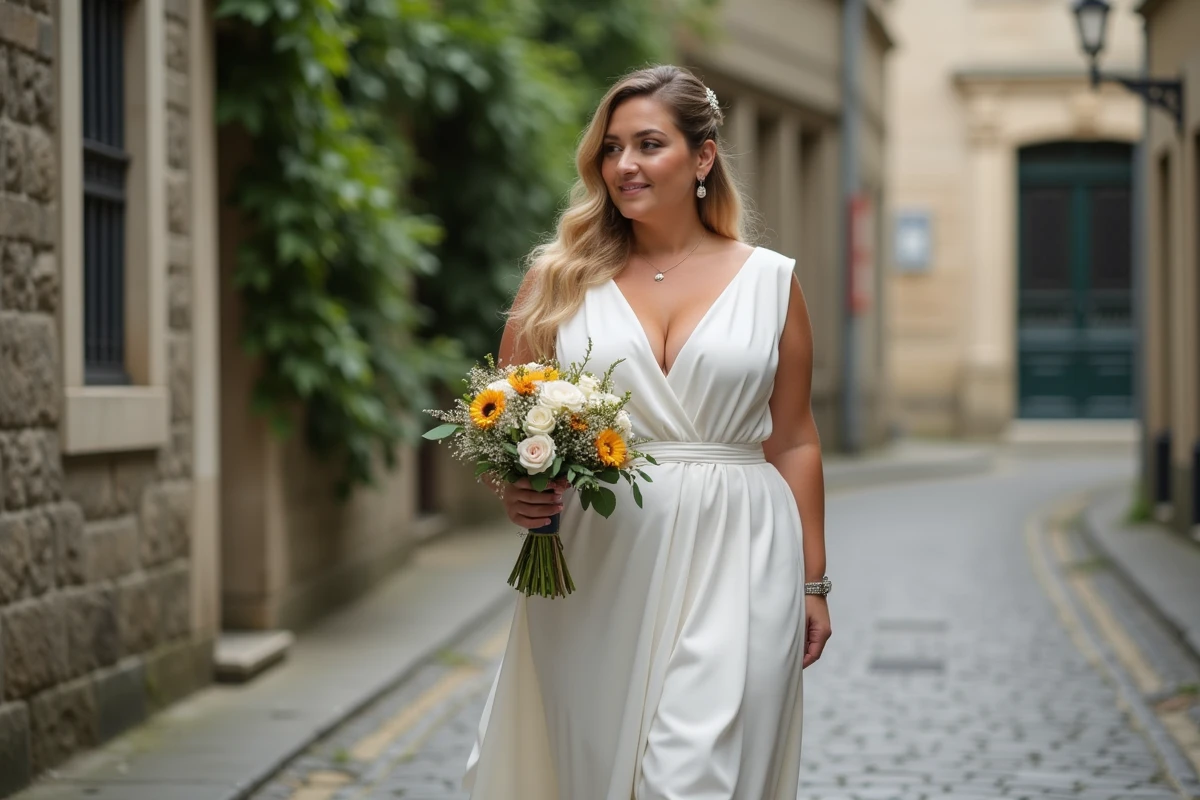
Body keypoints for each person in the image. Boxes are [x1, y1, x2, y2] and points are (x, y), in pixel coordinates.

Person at [463, 64, 831, 800]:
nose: (624, 164)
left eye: (648, 144)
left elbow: (793, 437)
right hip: (599, 558)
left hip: (741, 549)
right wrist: (518, 493)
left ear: (702, 157)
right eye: (611, 147)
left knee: (692, 775)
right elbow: (502, 416)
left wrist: (814, 581)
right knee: (595, 772)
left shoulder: (769, 281)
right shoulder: (557, 282)